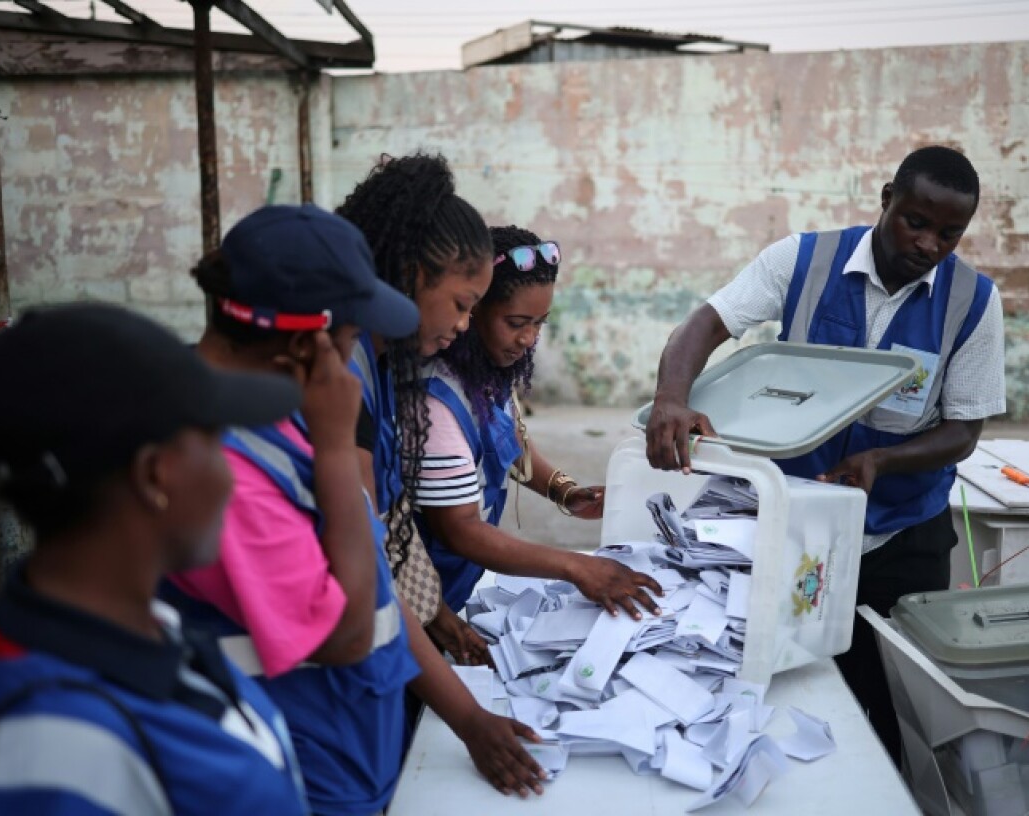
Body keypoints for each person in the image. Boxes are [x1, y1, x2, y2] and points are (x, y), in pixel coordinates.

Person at [168, 204, 544, 815]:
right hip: (292, 761)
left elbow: (375, 579)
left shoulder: (284, 418)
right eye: (352, 343)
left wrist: (466, 713)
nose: (360, 364)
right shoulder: (224, 464)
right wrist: (340, 451)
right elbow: (349, 630)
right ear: (309, 342)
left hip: (345, 741)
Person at [645, 145, 1006, 761]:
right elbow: (705, 324)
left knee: (898, 701)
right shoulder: (804, 260)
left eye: (950, 233)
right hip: (794, 526)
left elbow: (964, 430)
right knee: (789, 681)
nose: (929, 244)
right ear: (886, 197)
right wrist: (671, 398)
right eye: (915, 221)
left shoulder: (972, 301)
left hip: (902, 536)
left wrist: (879, 463)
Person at [0, 303, 309, 815]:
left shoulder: (141, 627)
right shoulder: (54, 754)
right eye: (214, 440)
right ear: (155, 475)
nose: (230, 479)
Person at [415, 225, 662, 618]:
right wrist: (577, 566)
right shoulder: (436, 402)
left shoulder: (485, 374)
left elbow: (507, 437)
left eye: (540, 323)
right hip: (425, 596)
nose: (529, 338)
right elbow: (459, 530)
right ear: (474, 309)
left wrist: (563, 491)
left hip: (456, 584)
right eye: (515, 323)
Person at [335, 152, 499, 666]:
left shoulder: (382, 364)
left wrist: (440, 618)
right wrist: (468, 716)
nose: (465, 325)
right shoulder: (343, 374)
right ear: (410, 274)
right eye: (461, 304)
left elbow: (390, 514)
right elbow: (369, 557)